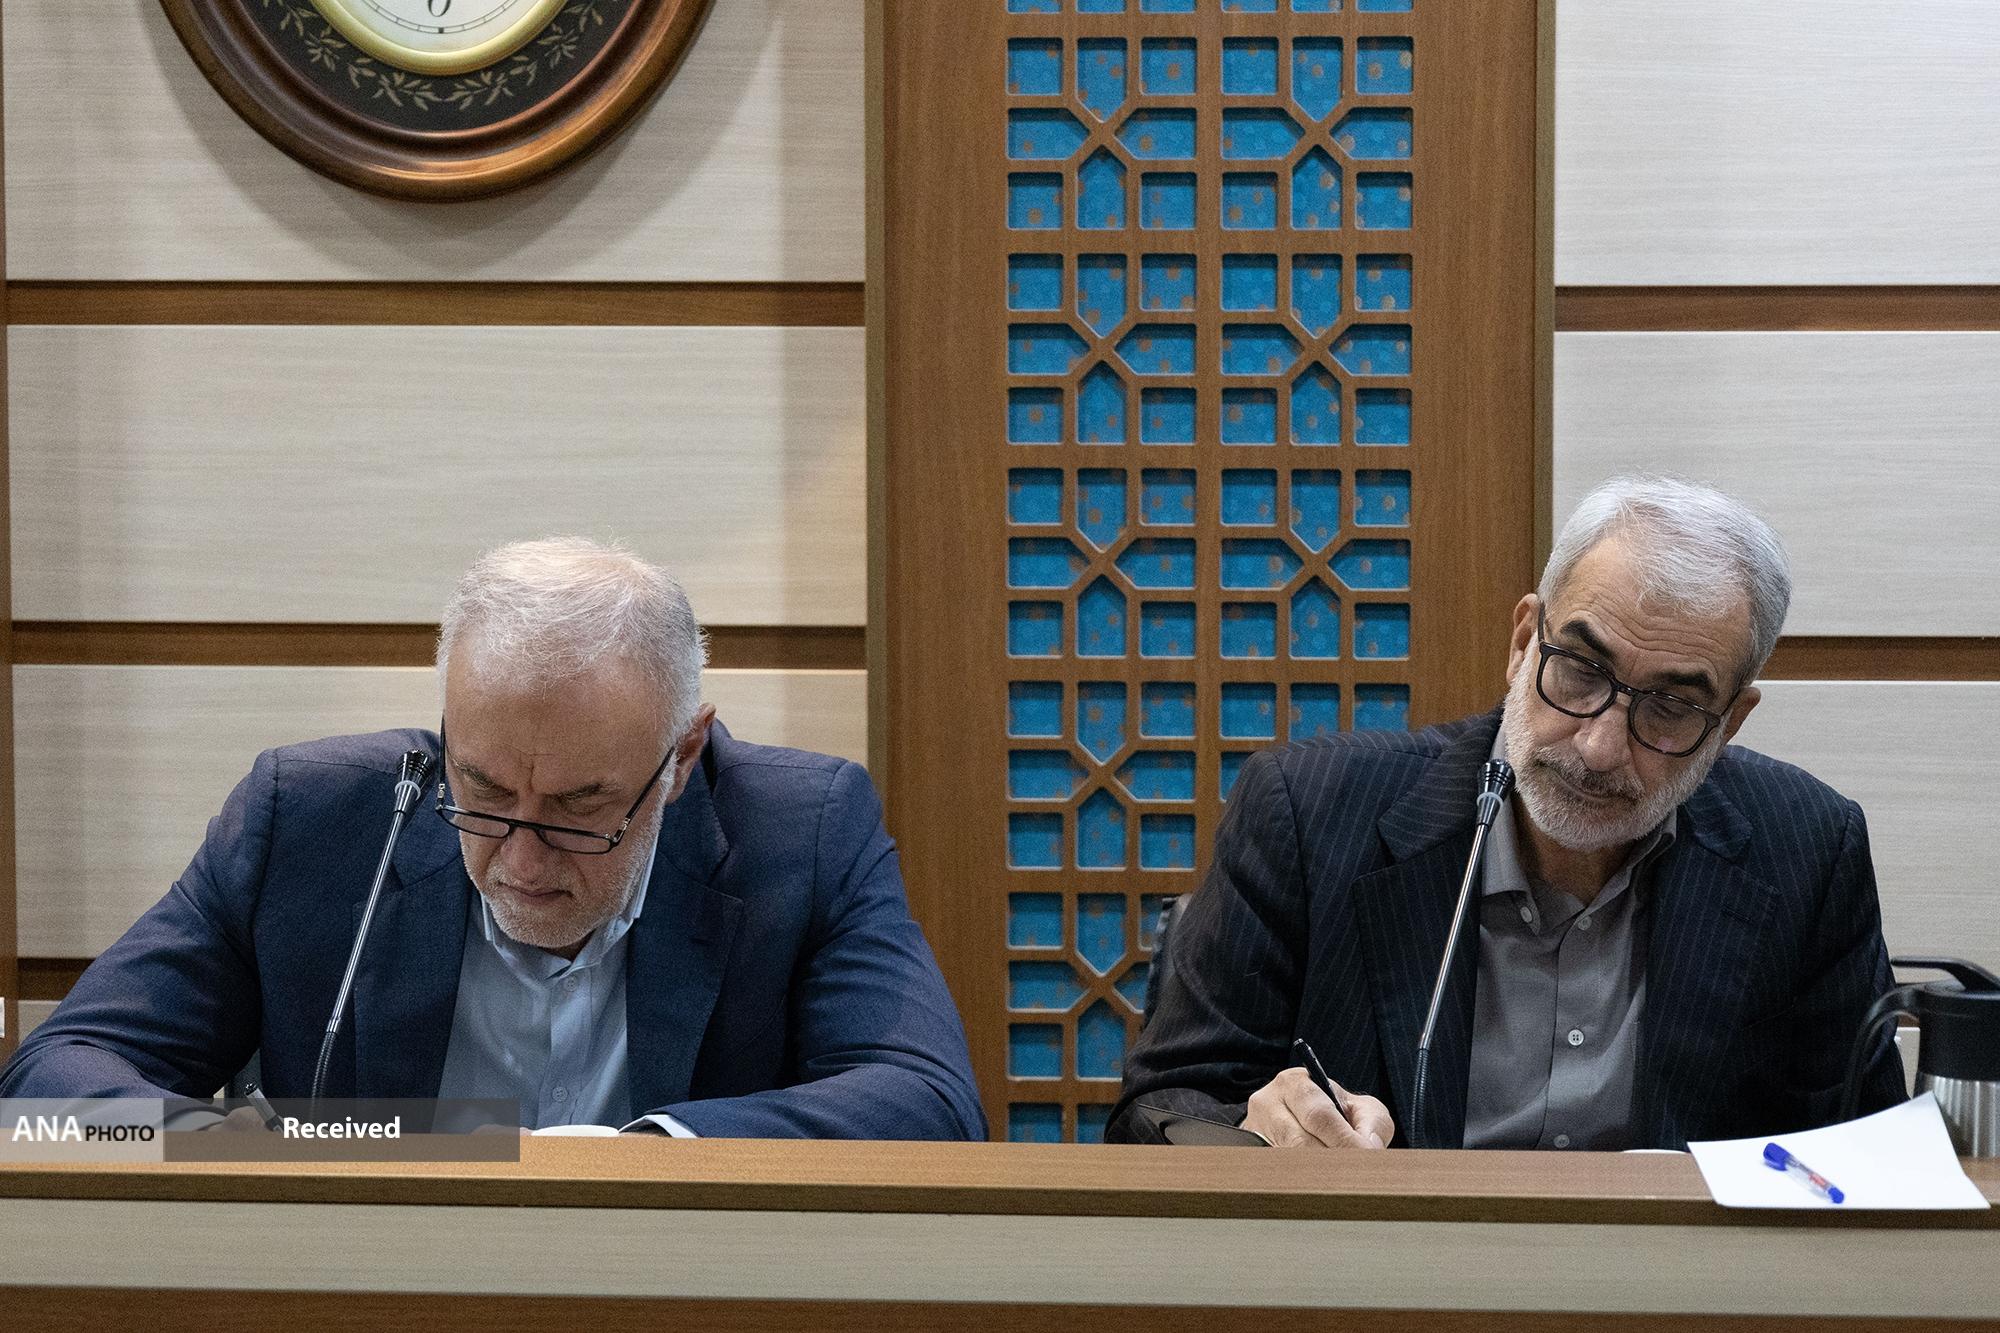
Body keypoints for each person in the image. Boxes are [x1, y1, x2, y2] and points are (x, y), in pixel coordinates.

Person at [1, 538, 985, 1140]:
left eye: (578, 807)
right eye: (479, 789)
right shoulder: (305, 818)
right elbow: (50, 1088)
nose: (519, 859)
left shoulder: (803, 830)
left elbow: (928, 1104)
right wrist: (258, 1149)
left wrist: (644, 1155)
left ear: (682, 756)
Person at [1111, 477, 1905, 1150]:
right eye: (1582, 669)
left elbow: (1867, 1159)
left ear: (1729, 723)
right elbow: (1162, 1108)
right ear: (1524, 641)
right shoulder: (1307, 811)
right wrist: (1256, 1130)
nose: (1598, 746)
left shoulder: (1808, 850)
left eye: (1669, 706)